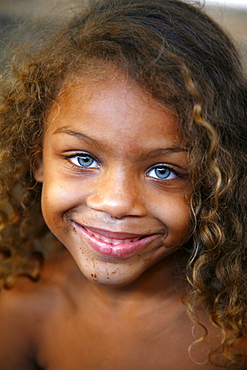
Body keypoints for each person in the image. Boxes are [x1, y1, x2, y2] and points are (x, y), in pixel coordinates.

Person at [0, 0, 246, 368]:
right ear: (37, 157)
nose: (115, 203)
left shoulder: (234, 331)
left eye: (163, 170)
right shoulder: (24, 308)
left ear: (215, 178)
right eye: (84, 159)